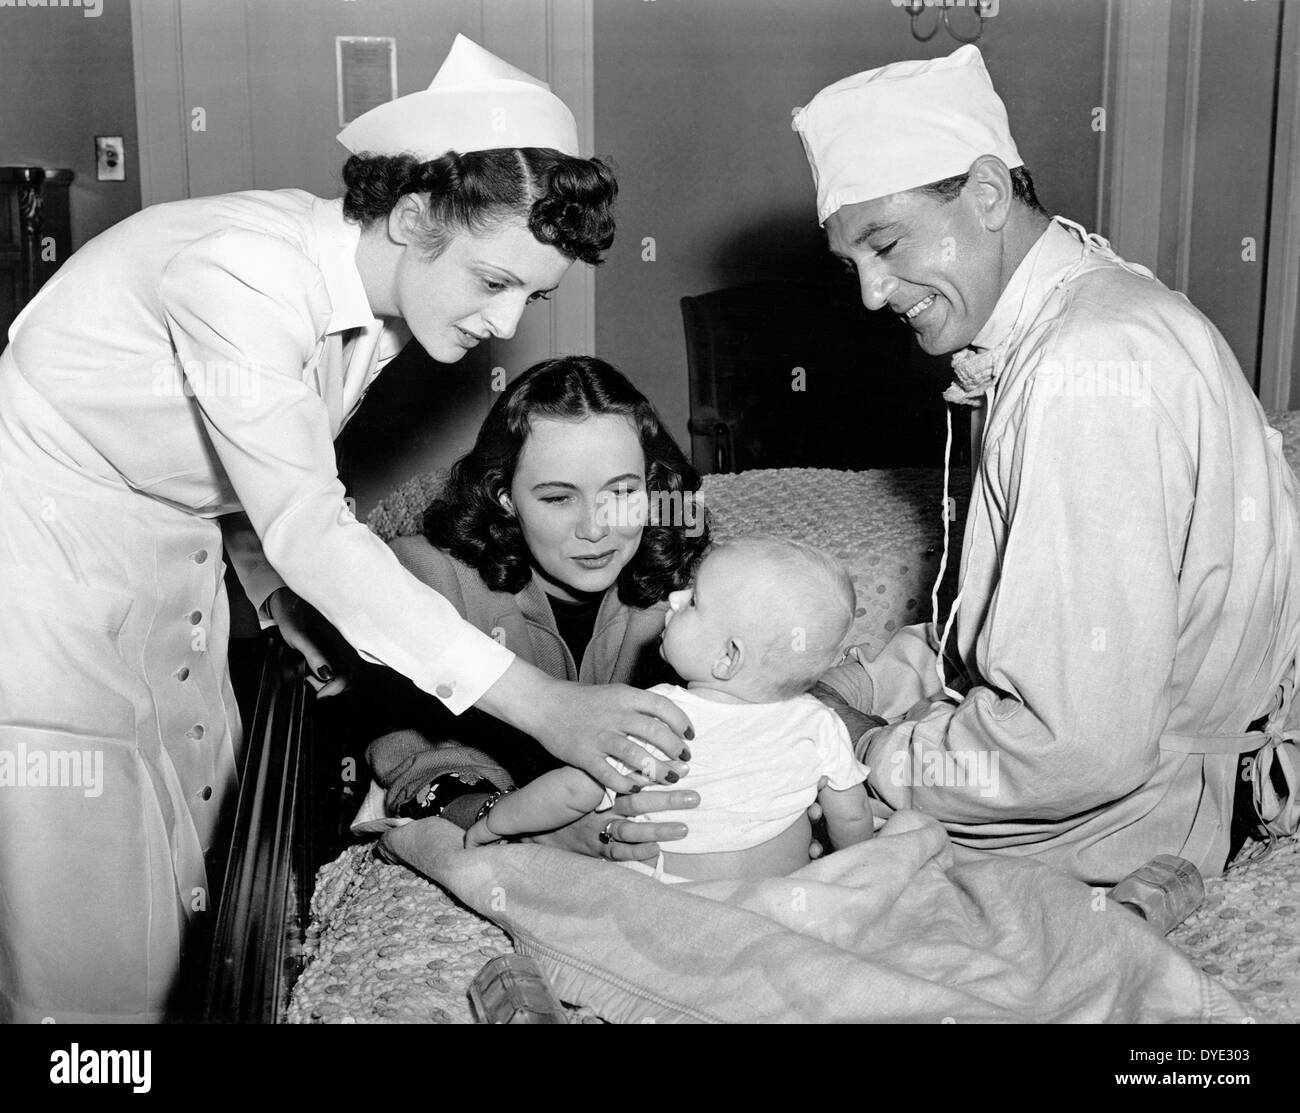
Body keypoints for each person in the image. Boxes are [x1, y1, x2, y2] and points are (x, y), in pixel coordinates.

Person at [0, 35, 691, 1024]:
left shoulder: (377, 312)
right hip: (39, 566)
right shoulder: (240, 271)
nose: (505, 325)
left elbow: (243, 465)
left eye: (530, 296)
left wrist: (267, 587)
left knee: (194, 867)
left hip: (168, 557)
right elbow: (313, 525)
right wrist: (542, 705)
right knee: (86, 935)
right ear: (412, 217)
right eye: (492, 280)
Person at [791, 44, 1300, 886]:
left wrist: (872, 745)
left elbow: (1075, 746)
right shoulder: (1084, 310)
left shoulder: (1083, 369)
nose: (871, 296)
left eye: (886, 245)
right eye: (854, 265)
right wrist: (869, 678)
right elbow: (998, 627)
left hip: (1130, 822)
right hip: (1109, 779)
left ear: (987, 192)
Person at [358, 355, 710, 855]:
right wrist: (521, 823)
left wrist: (859, 747)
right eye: (557, 498)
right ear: (505, 498)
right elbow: (413, 756)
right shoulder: (426, 579)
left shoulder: (690, 580)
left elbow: (769, 679)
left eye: (623, 491)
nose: (595, 528)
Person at [465, 537, 874, 883]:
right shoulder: (819, 722)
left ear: (728, 657)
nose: (675, 597)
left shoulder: (656, 715)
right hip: (786, 893)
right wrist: (854, 873)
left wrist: (496, 821)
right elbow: (852, 818)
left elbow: (572, 791)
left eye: (694, 601)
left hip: (681, 903)